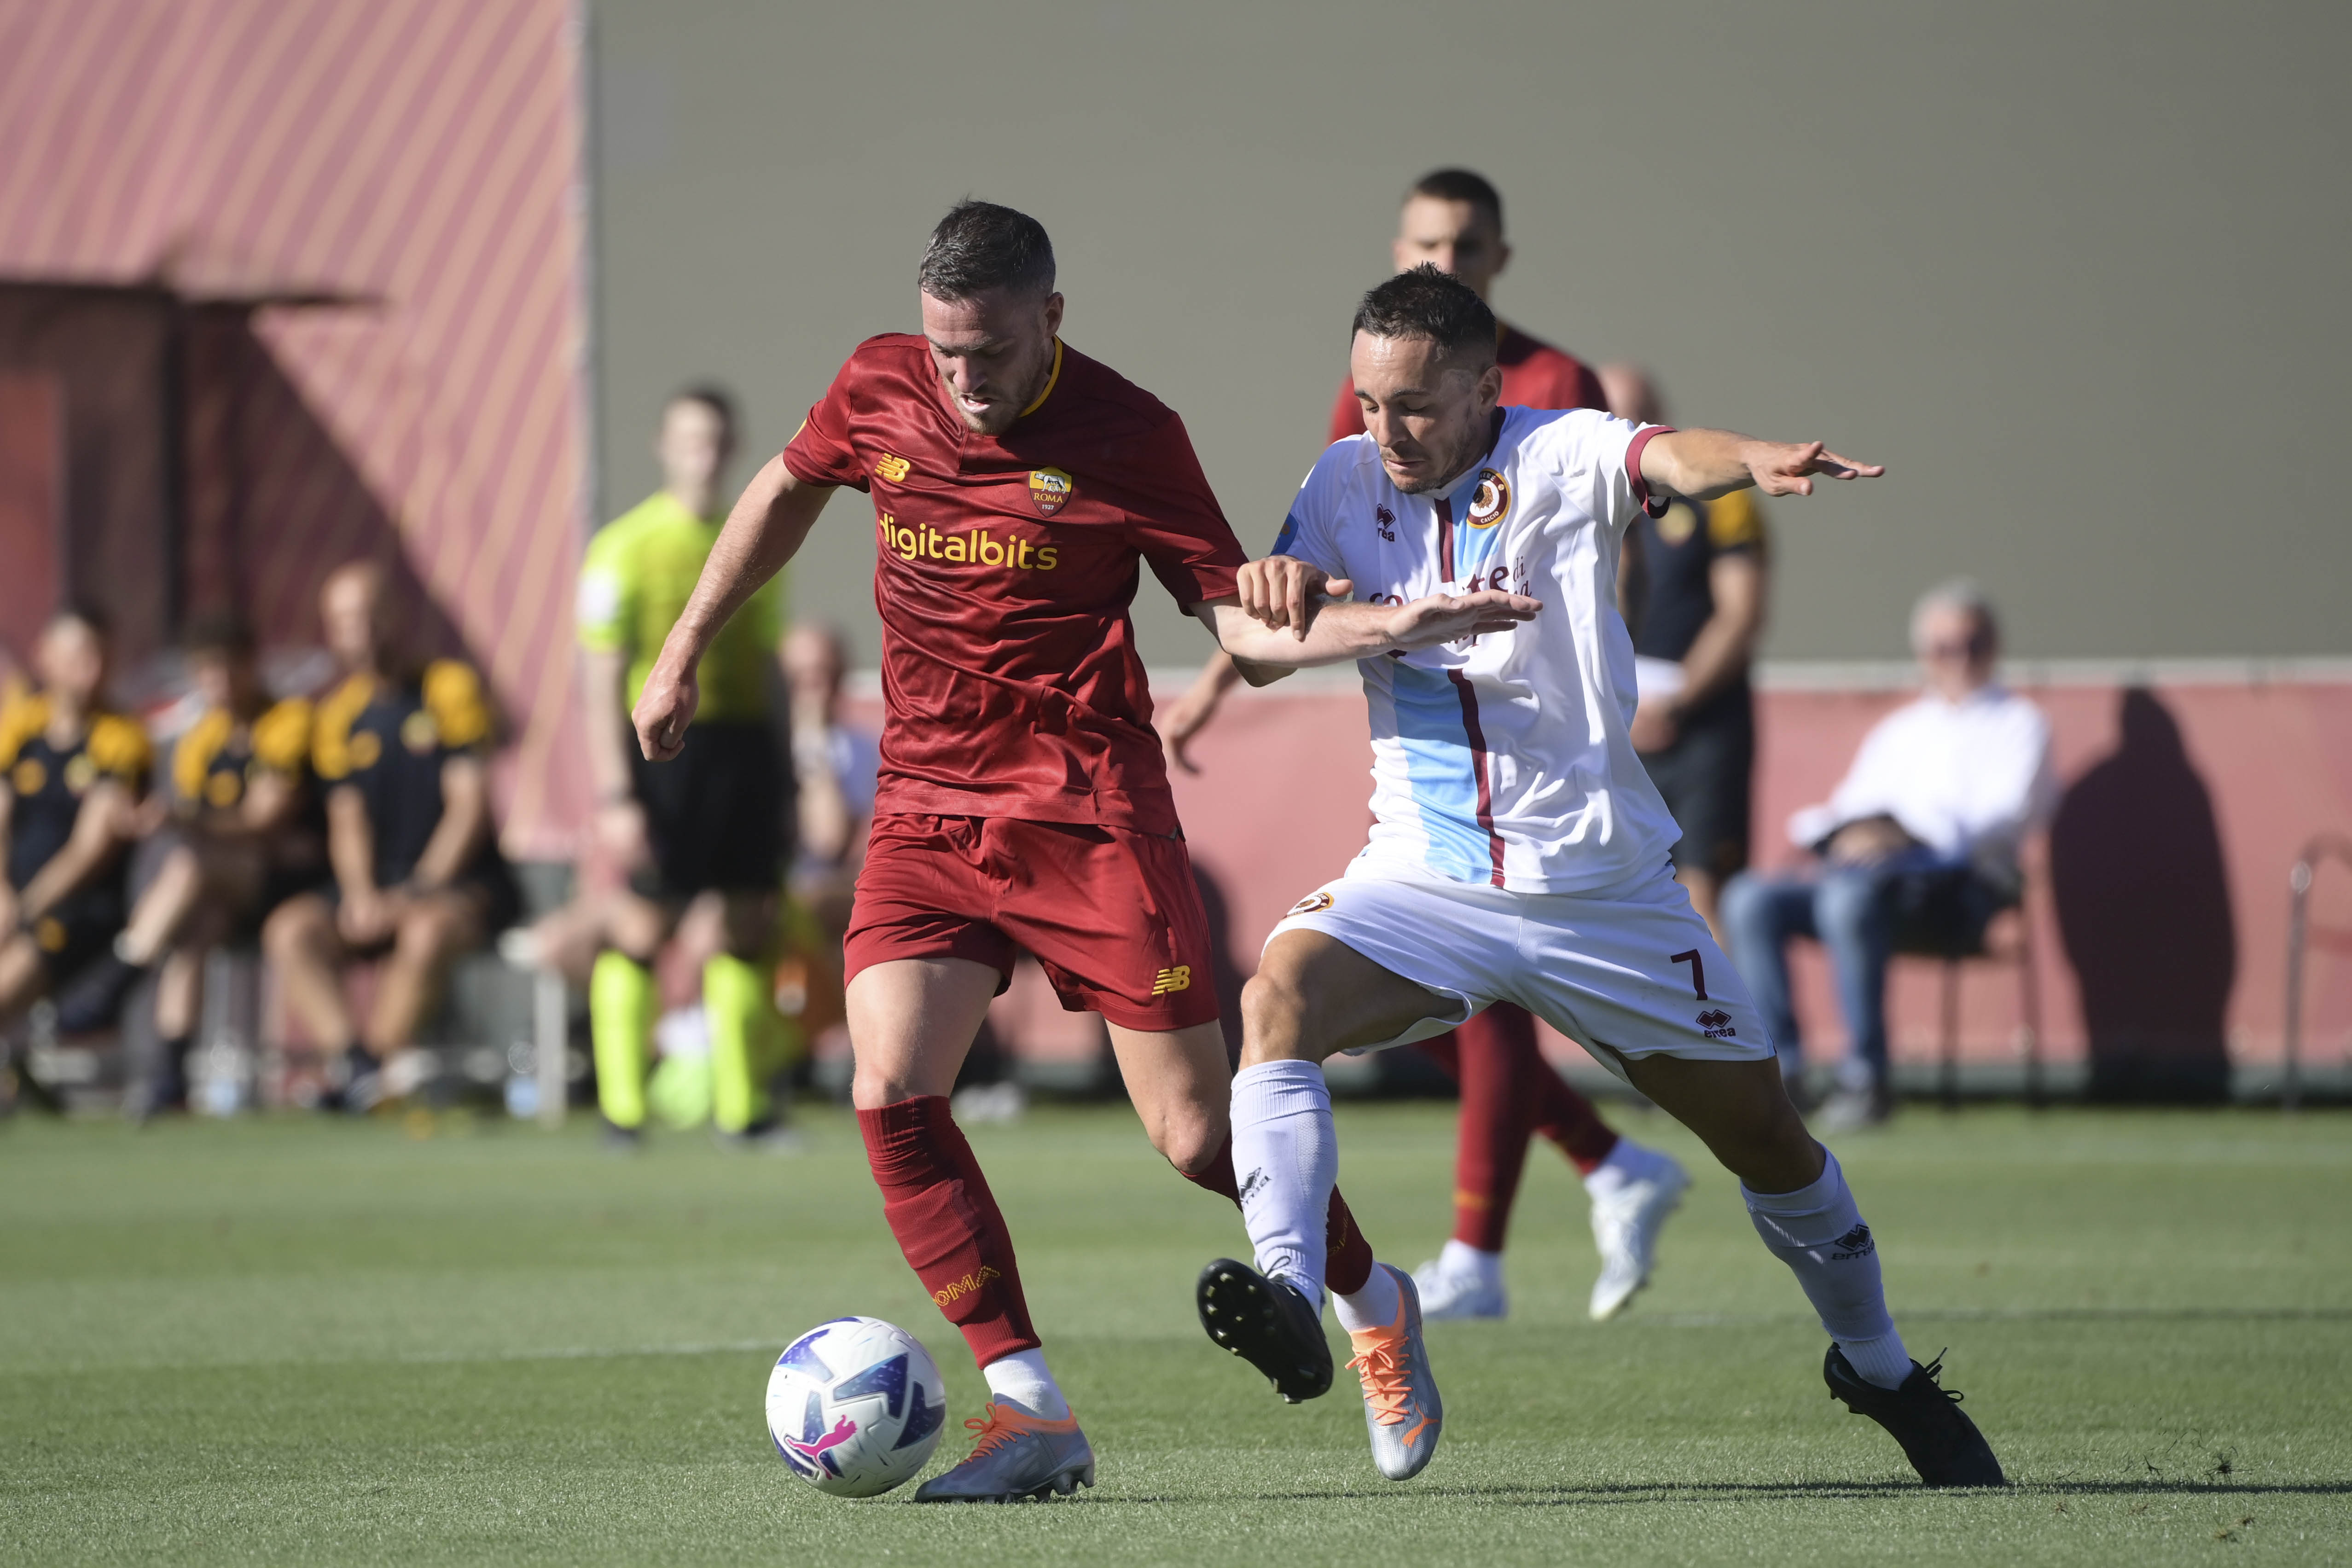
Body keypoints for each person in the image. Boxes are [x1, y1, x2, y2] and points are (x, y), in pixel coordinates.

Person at [629, 202, 1504, 1501]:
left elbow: (1240, 629)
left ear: (1052, 316)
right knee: (889, 1089)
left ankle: (1375, 1299)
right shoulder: (877, 383)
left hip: (1087, 814)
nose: (961, 380)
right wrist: (683, 647)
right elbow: (786, 487)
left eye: (986, 350)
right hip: (926, 806)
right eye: (943, 354)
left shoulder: (1132, 434)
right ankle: (1028, 1405)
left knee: (1199, 1134)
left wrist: (1387, 624)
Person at [1197, 267, 2005, 1490]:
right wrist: (1267, 599)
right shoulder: (1339, 482)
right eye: (1365, 400)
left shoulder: (1563, 450)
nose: (1382, 429)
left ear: (1483, 388)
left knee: (1771, 1144)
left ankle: (1878, 1364)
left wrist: (1751, 461)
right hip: (1423, 875)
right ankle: (1292, 1292)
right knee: (1276, 999)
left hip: (1601, 894)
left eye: (1412, 404)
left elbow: (1668, 458)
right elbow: (1255, 646)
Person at [1160, 168, 1685, 1327]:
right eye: (1423, 242)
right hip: (1428, 775)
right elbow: (1310, 562)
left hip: (1548, 784)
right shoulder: (1374, 398)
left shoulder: (1551, 385)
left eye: (1464, 245)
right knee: (1377, 1004)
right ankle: (1594, 1171)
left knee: (1488, 1007)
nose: (1442, 262)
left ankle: (1485, 1249)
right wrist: (1214, 681)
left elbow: (1615, 537)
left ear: (1498, 260)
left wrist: (1615, 677)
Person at [521, 387, 796, 1149]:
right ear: (663, 447)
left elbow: (768, 660)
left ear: (733, 447)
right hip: (667, 753)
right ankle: (622, 1111)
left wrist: (787, 770)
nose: (702, 455)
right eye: (688, 440)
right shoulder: (624, 546)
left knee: (745, 921)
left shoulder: (757, 539)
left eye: (714, 440)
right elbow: (599, 677)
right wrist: (616, 792)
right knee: (644, 924)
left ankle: (744, 1114)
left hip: (741, 750)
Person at [1719, 581, 2052, 1130]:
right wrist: (1852, 832)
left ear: (1993, 646)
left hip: (1960, 893)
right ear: (1925, 655)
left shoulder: (2020, 724)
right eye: (1945, 648)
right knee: (1750, 896)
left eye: (1972, 644)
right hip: (1868, 883)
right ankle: (1783, 1073)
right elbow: (1849, 807)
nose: (1959, 659)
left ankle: (1865, 1077)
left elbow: (2006, 816)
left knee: (1847, 900)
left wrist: (1906, 836)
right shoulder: (1902, 730)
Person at [260, 563, 516, 1110]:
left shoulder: (448, 688)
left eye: (370, 615)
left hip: (457, 883)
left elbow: (468, 807)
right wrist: (359, 895)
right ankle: (356, 1064)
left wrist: (420, 887)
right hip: (379, 889)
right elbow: (347, 821)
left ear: (395, 616)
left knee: (426, 932)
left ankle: (374, 1069)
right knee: (290, 930)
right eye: (345, 620)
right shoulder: (337, 717)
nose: (361, 631)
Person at [113, 612, 322, 1117]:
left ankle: (122, 972)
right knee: (193, 930)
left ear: (253, 667)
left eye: (230, 669)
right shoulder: (200, 741)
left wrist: (185, 818)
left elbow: (263, 821)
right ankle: (169, 1078)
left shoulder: (287, 722)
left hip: (295, 883)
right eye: (207, 672)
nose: (221, 683)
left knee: (193, 865)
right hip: (230, 890)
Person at [1608, 364, 1771, 941]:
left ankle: (1737, 1031)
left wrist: (1673, 704)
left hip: (1702, 722)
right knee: (1620, 892)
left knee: (1703, 893)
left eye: (1630, 417)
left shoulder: (1716, 502)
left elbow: (1740, 615)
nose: (1617, 431)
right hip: (1623, 726)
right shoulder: (1588, 505)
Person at [0, 608, 151, 1109]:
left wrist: (23, 909)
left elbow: (91, 849)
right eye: (79, 656)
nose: (92, 670)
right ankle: (18, 1071)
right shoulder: (20, 728)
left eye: (101, 657)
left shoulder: (120, 737)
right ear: (46, 658)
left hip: (78, 911)